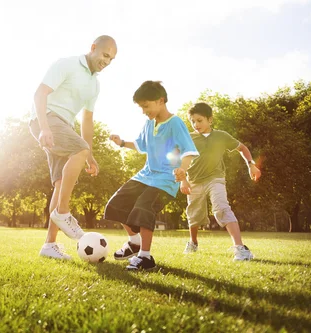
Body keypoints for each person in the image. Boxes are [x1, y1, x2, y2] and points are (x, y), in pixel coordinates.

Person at [30, 35, 118, 260]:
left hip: (64, 127)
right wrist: (44, 128)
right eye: (105, 55)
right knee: (79, 150)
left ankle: (49, 246)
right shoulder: (67, 64)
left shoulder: (94, 84)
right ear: (93, 48)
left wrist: (90, 155)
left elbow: (86, 121)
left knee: (61, 183)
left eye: (111, 59)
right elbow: (40, 93)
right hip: (48, 119)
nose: (106, 62)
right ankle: (63, 213)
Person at [104, 81, 199, 271]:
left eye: (146, 106)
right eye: (141, 107)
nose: (143, 111)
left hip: (165, 179)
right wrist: (122, 143)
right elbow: (141, 145)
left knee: (143, 207)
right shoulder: (149, 123)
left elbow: (188, 150)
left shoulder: (175, 123)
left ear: (160, 101)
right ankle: (134, 243)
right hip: (145, 175)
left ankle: (145, 257)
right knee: (116, 204)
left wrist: (183, 168)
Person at [180, 102, 261, 261]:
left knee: (221, 208)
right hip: (194, 181)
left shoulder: (221, 136)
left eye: (199, 120)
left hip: (215, 178)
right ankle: (193, 242)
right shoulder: (188, 138)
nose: (196, 125)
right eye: (192, 121)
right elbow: (181, 161)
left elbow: (243, 148)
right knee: (194, 215)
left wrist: (251, 165)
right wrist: (183, 180)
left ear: (210, 120)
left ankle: (240, 249)